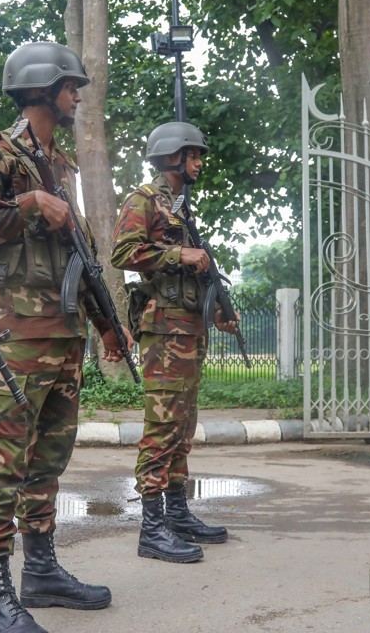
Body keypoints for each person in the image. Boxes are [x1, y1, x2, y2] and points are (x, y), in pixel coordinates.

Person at [0, 41, 134, 633]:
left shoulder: (62, 167)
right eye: (71, 86)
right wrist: (31, 204)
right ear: (43, 87)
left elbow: (77, 258)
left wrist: (109, 326)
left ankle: (42, 571)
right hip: (19, 338)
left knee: (48, 461)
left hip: (64, 340)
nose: (77, 96)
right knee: (2, 463)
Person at [111, 121, 239, 564]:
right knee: (161, 429)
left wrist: (219, 309)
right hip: (164, 332)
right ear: (171, 158)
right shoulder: (143, 200)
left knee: (182, 429)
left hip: (189, 330)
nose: (199, 162)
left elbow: (195, 272)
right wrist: (176, 253)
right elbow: (122, 251)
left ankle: (178, 514)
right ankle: (151, 529)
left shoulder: (181, 210)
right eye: (193, 155)